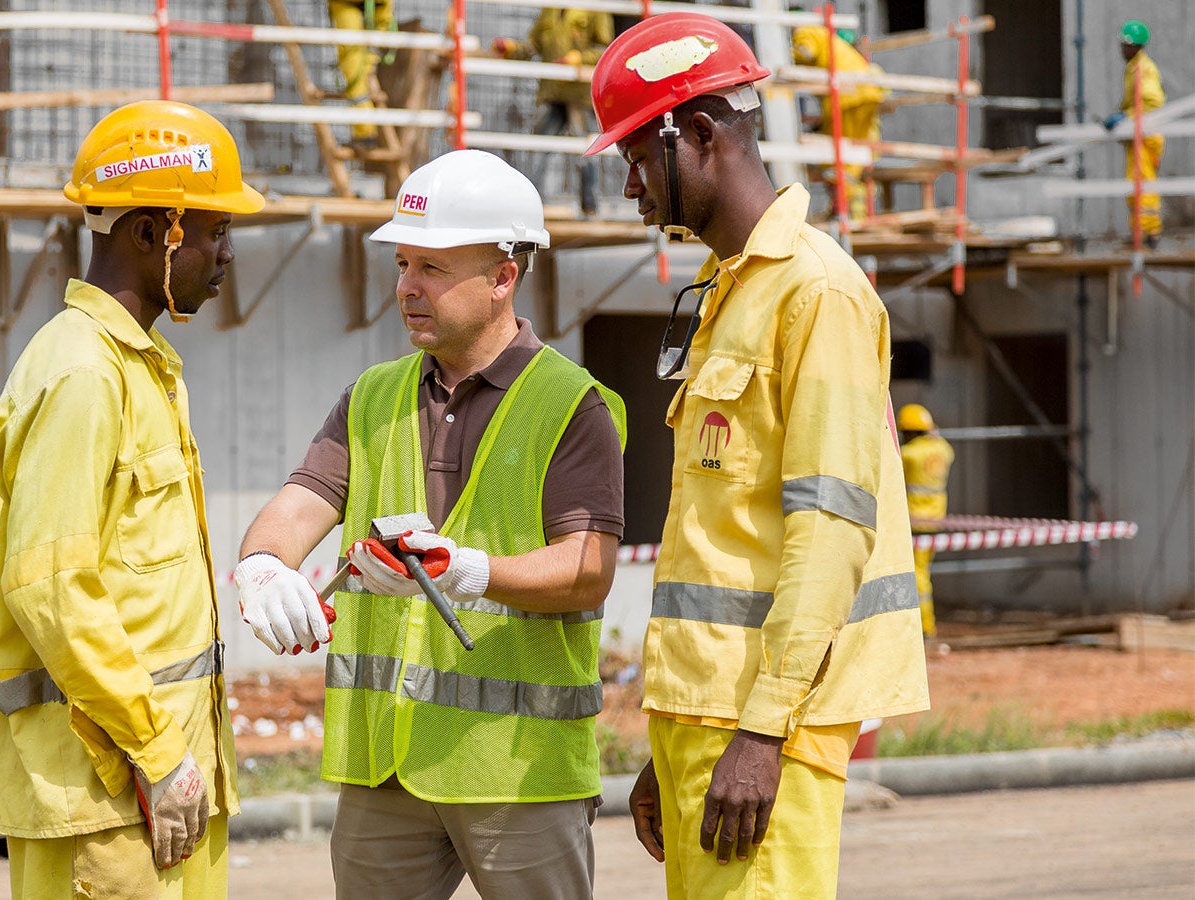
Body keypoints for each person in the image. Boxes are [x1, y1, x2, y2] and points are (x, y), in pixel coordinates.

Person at [584, 13, 929, 897]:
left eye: (637, 157)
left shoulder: (817, 293)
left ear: (700, 134)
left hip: (763, 726)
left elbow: (830, 530)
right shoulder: (735, 292)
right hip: (708, 718)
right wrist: (673, 741)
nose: (629, 187)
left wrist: (762, 732)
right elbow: (728, 532)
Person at [232, 149, 627, 898]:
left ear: (503, 277)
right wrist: (262, 566)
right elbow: (298, 504)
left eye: (433, 268)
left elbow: (587, 569)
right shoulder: (373, 396)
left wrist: (467, 571)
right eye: (403, 264)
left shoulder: (572, 404)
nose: (407, 287)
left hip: (518, 771)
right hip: (384, 769)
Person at [0, 100, 264, 899]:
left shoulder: (140, 364)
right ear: (152, 233)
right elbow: (52, 585)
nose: (227, 253)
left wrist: (177, 761)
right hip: (108, 789)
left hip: (166, 782)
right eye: (214, 230)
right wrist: (157, 754)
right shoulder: (83, 374)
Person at [492, 8, 616, 217]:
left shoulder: (595, 8)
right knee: (539, 148)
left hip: (580, 94)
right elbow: (533, 45)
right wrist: (511, 48)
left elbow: (605, 49)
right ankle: (530, 205)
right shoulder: (550, 9)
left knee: (586, 150)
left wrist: (579, 58)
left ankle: (590, 208)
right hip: (551, 91)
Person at [791, 23, 886, 223]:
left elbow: (806, 52)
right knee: (852, 157)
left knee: (839, 158)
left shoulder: (806, 31)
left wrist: (784, 60)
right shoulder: (830, 39)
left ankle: (843, 211)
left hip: (847, 96)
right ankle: (848, 212)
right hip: (864, 94)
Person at [1103, 19, 1164, 248]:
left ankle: (1149, 234)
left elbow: (1152, 102)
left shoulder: (1143, 68)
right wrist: (1123, 116)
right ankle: (1140, 231)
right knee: (1135, 183)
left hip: (1146, 135)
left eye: (1125, 46)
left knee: (1143, 184)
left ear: (1135, 46)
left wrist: (1126, 117)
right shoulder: (1133, 68)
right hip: (1139, 134)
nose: (1122, 50)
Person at [898, 403, 954, 638]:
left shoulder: (908, 454)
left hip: (914, 522)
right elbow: (942, 443)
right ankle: (924, 625)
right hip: (935, 520)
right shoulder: (943, 450)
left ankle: (926, 626)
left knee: (918, 574)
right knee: (923, 570)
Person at [328, 0, 395, 149]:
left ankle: (364, 132)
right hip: (368, 6)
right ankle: (365, 131)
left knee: (355, 64)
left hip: (357, 5)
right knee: (360, 64)